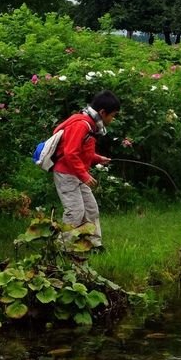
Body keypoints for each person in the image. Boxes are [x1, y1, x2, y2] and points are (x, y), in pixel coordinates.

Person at [51, 90, 120, 251]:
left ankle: (94, 243)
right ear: (102, 113)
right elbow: (70, 152)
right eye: (113, 115)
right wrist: (84, 174)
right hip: (66, 174)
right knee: (75, 211)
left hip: (77, 173)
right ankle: (64, 248)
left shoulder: (90, 124)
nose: (113, 118)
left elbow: (83, 152)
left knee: (91, 209)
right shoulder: (81, 125)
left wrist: (98, 158)